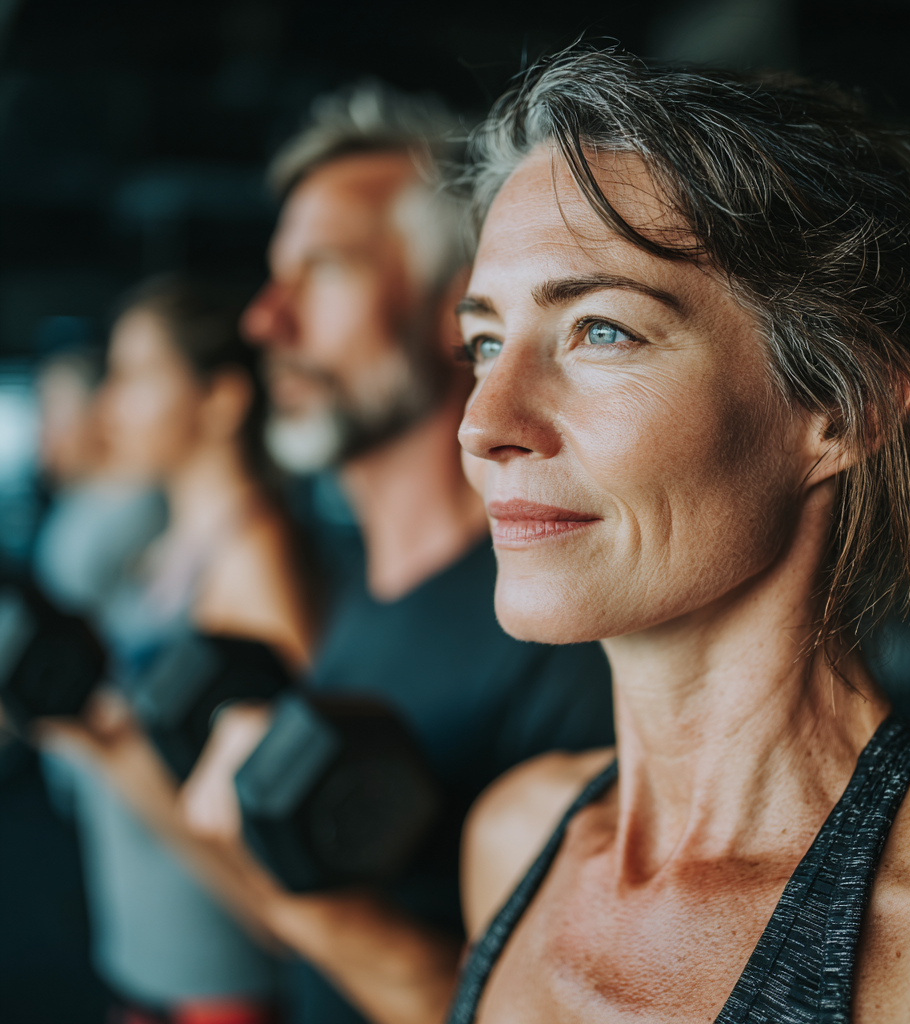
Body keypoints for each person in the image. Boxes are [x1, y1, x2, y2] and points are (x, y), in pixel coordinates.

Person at [446, 49, 910, 1024]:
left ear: (839, 409)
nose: (483, 423)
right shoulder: (516, 840)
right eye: (485, 343)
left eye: (600, 330)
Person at [178, 80, 615, 1024]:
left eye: (324, 270)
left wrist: (316, 906)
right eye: (277, 276)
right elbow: (305, 943)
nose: (265, 321)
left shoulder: (557, 626)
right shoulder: (342, 591)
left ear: (455, 308)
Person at [41, 276, 317, 1024]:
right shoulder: (162, 547)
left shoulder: (253, 561)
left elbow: (280, 857)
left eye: (135, 377)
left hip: (219, 982)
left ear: (221, 400)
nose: (107, 407)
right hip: (144, 957)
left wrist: (111, 751)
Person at [32, 344, 165, 615]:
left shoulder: (146, 498)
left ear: (101, 408)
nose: (43, 431)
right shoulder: (74, 492)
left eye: (53, 409)